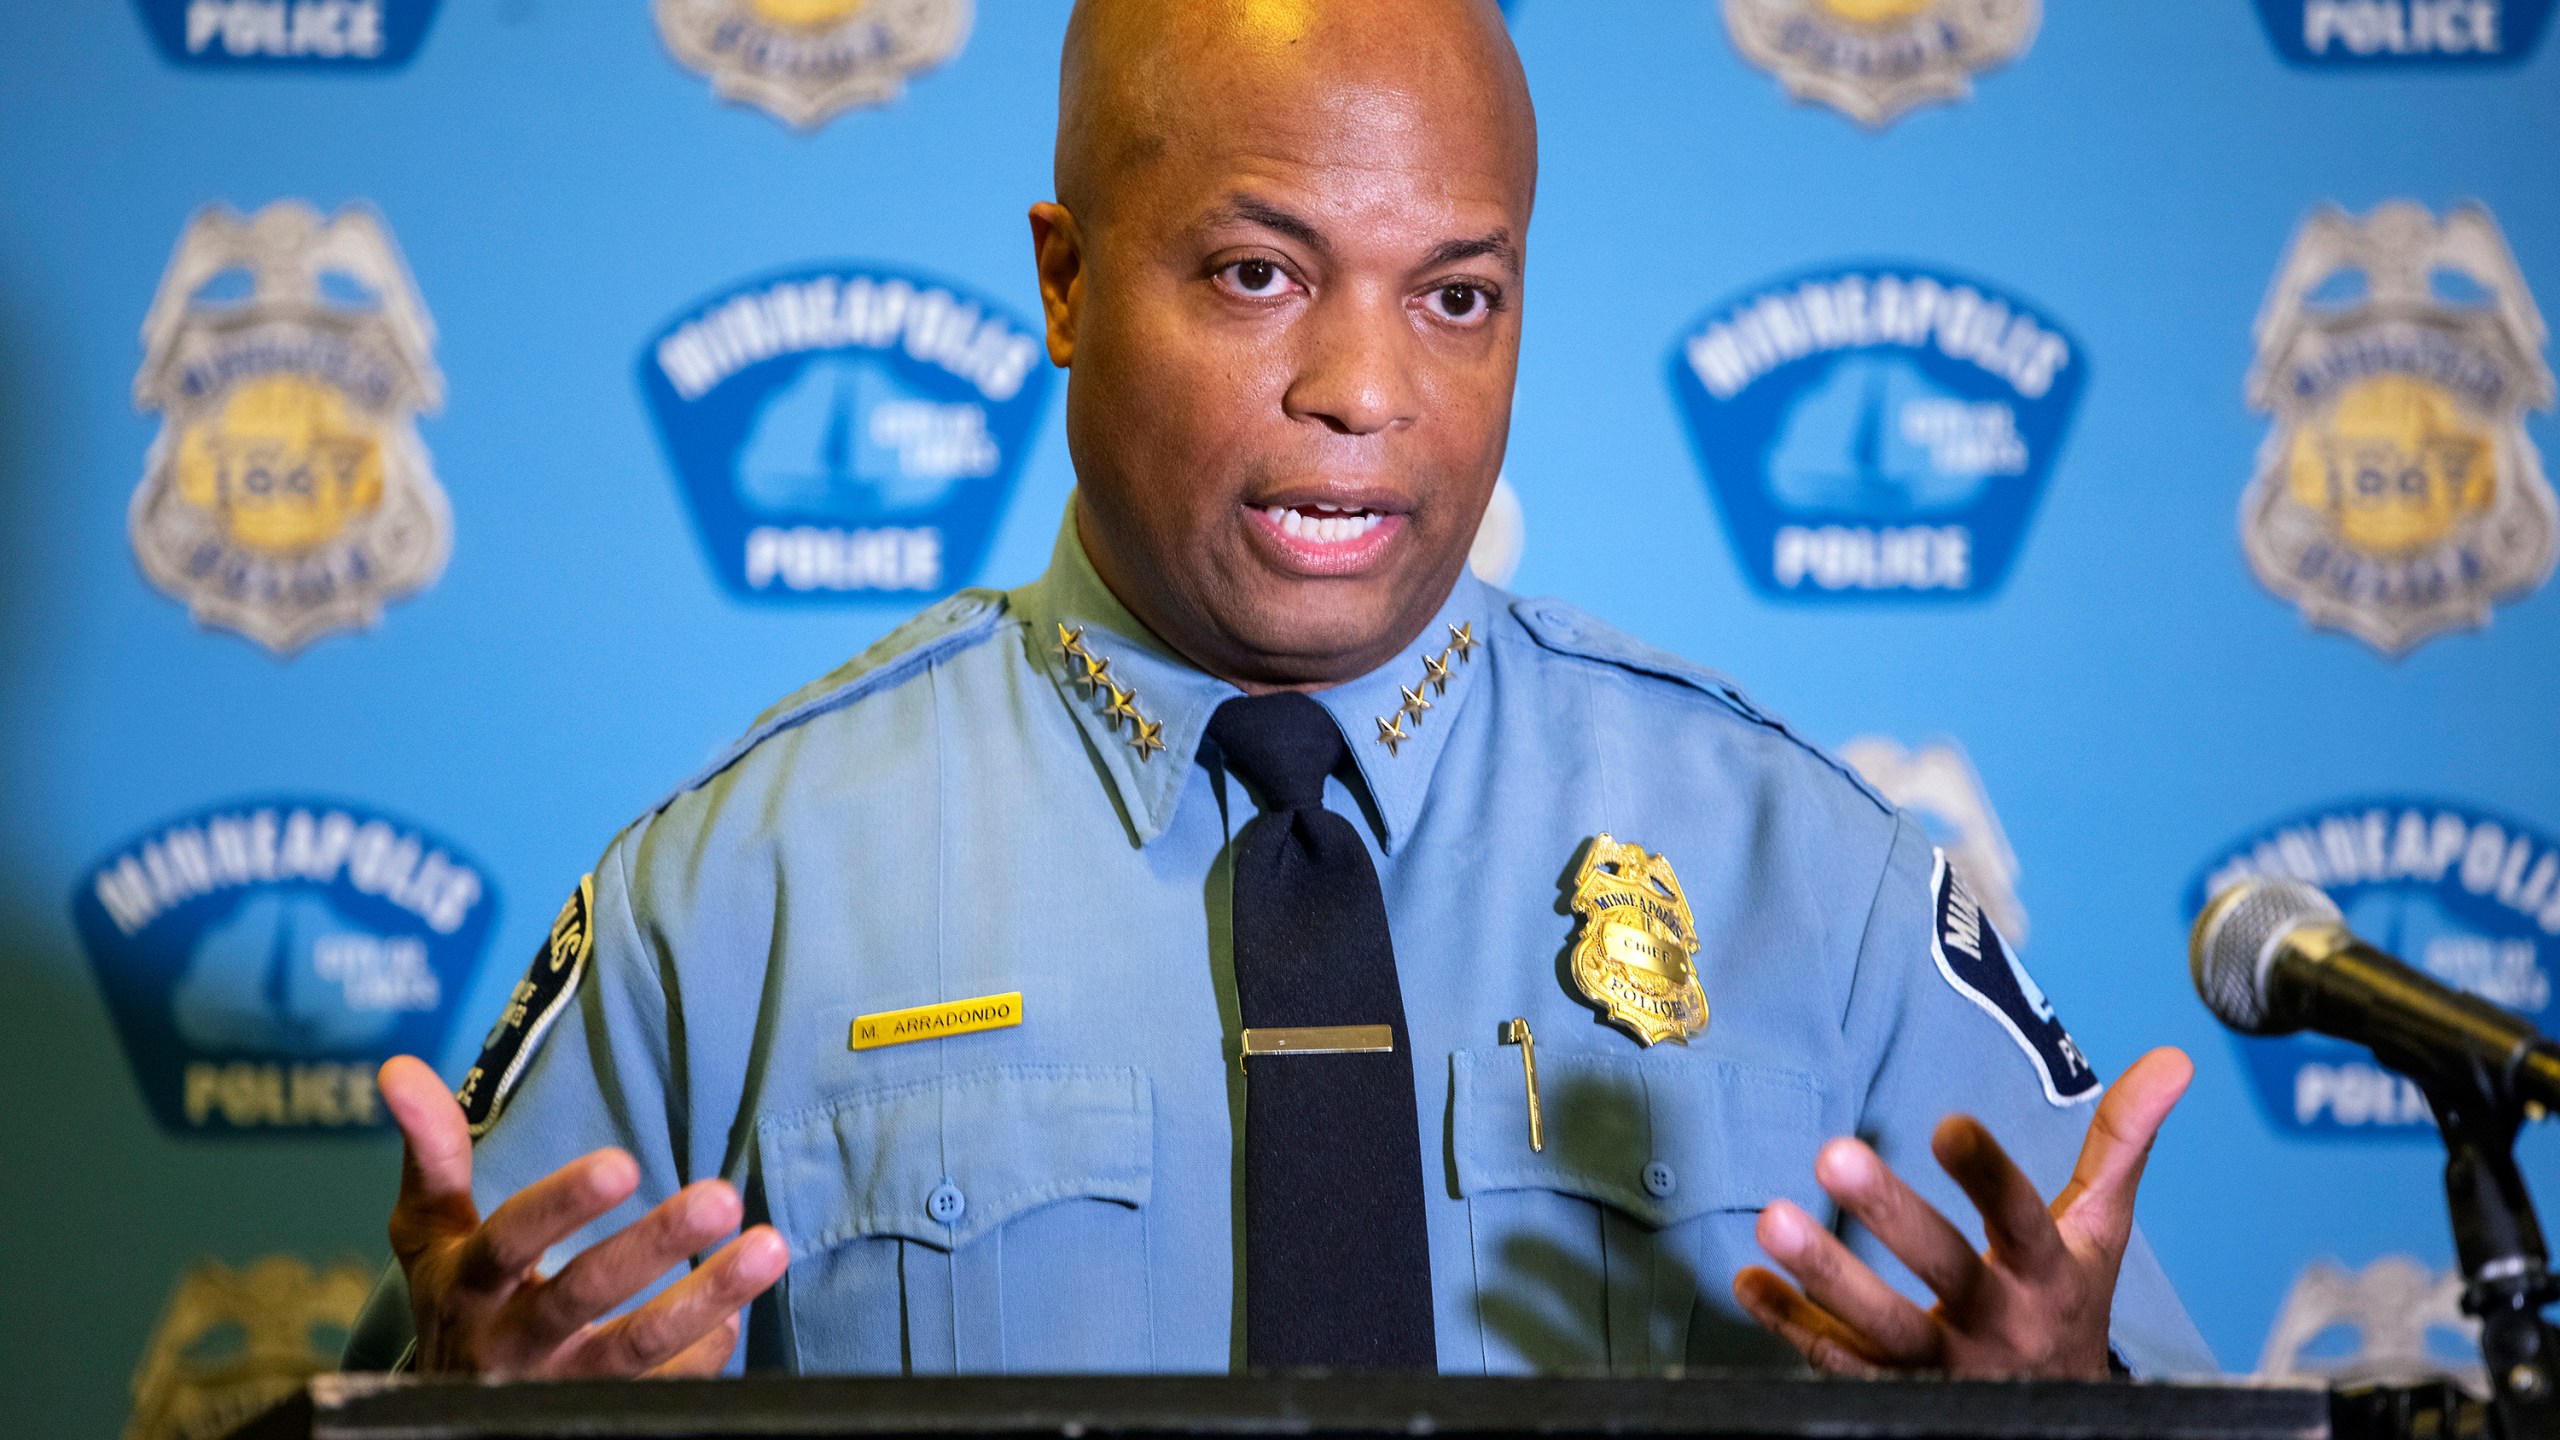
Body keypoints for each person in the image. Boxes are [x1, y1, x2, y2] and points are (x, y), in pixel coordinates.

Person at [345, 0, 2217, 1381]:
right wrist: (468, 1430)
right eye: (1257, 274)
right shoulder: (730, 897)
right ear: (1066, 288)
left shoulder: (1814, 872)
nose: (1366, 388)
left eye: (1457, 296)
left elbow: (2144, 1402)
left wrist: (2080, 1423)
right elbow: (457, 1382)